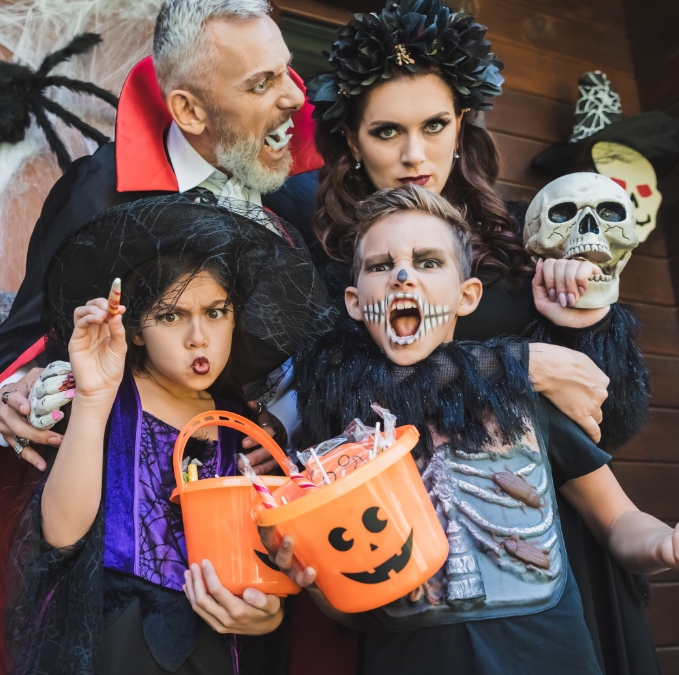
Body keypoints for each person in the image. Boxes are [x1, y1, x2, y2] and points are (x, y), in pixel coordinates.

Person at [262, 2, 655, 672]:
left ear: (461, 125)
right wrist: (516, 363)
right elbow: (340, 399)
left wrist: (587, 319)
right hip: (424, 588)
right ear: (353, 141)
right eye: (388, 131)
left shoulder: (522, 240)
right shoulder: (335, 270)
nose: (416, 154)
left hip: (557, 556)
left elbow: (609, 422)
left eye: (435, 125)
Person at [0, 2, 321, 668]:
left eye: (288, 72)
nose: (294, 98)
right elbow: (24, 339)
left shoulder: (295, 204)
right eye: (262, 84)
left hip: (233, 579)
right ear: (191, 111)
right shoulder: (98, 194)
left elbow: (304, 370)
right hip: (107, 573)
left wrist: (281, 437)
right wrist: (12, 393)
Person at [270, 184, 679, 675]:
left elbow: (617, 521)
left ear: (467, 295)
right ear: (356, 303)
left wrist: (672, 542)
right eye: (382, 266)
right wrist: (316, 587)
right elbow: (353, 609)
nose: (403, 275)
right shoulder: (344, 444)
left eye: (428, 262)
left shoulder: (520, 398)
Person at [5, 195, 335, 674]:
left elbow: (261, 563)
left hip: (216, 650)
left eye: (216, 312)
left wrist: (267, 612)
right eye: (171, 316)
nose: (199, 336)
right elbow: (59, 535)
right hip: (111, 645)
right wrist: (94, 402)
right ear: (136, 328)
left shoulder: (240, 426)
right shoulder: (108, 398)